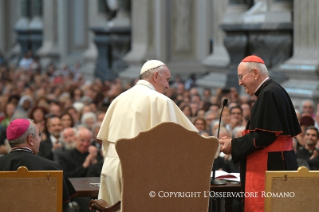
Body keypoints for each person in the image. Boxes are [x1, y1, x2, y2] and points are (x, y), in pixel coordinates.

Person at [97, 60, 198, 205]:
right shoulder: (161, 101)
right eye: (167, 80)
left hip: (110, 169)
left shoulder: (118, 99)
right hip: (140, 173)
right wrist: (215, 146)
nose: (168, 86)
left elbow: (105, 142)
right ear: (156, 76)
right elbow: (190, 141)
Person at [219, 55, 301, 211]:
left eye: (241, 76)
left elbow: (264, 136)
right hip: (279, 162)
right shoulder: (274, 90)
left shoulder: (269, 93)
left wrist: (234, 145)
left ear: (255, 73)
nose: (240, 82)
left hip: (271, 166)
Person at [0, 119, 76, 204]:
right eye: (39, 135)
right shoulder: (51, 167)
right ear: (30, 140)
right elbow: (64, 203)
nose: (40, 139)